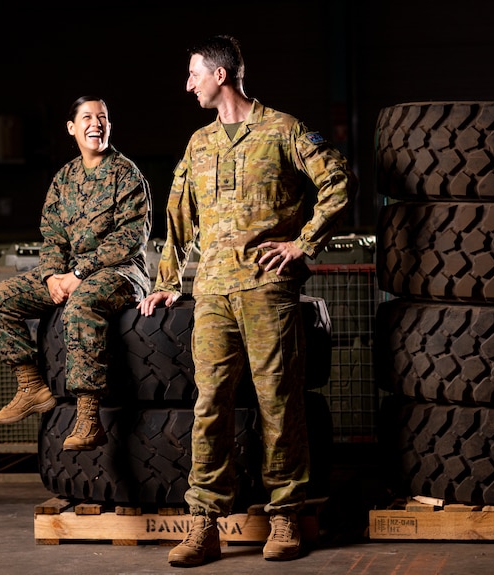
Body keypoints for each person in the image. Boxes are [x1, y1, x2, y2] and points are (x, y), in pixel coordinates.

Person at [138, 35, 356, 565]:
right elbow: (177, 218)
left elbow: (338, 182)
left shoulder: (282, 130)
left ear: (220, 75)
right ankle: (204, 524)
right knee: (209, 405)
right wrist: (168, 278)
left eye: (193, 74)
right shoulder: (198, 143)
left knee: (278, 403)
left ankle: (284, 516)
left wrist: (303, 244)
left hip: (266, 292)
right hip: (211, 293)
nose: (187, 85)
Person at [0, 95, 152, 451]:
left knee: (80, 304)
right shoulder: (64, 179)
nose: (97, 123)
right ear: (71, 128)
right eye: (88, 117)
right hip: (70, 273)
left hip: (120, 273)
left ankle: (88, 417)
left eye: (103, 117)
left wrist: (78, 273)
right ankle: (32, 387)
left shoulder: (126, 174)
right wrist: (50, 276)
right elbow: (52, 238)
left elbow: (130, 239)